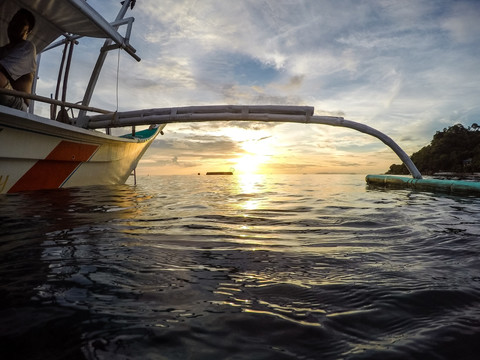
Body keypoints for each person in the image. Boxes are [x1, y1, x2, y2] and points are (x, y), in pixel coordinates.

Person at [0, 8, 36, 111]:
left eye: (21, 23)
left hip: (17, 103)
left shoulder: (27, 47)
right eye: (14, 20)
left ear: (28, 31)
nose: (15, 24)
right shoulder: (2, 50)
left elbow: (3, 70)